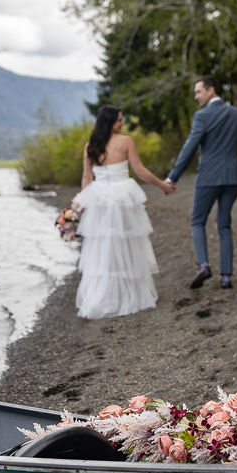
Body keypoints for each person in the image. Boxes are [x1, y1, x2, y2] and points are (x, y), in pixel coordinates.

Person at [73, 105, 175, 319]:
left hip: (99, 197)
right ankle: (124, 296)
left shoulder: (91, 145)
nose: (122, 123)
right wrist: (162, 185)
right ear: (110, 122)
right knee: (125, 246)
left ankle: (106, 297)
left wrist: (82, 203)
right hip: (122, 197)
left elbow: (86, 179)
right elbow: (140, 170)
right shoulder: (126, 141)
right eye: (119, 120)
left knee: (104, 249)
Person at [165, 76, 237, 290]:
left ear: (211, 91)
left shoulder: (202, 116)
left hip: (208, 178)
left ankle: (203, 265)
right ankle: (226, 277)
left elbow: (189, 148)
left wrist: (172, 177)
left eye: (198, 92)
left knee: (197, 221)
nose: (196, 96)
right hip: (231, 178)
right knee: (224, 224)